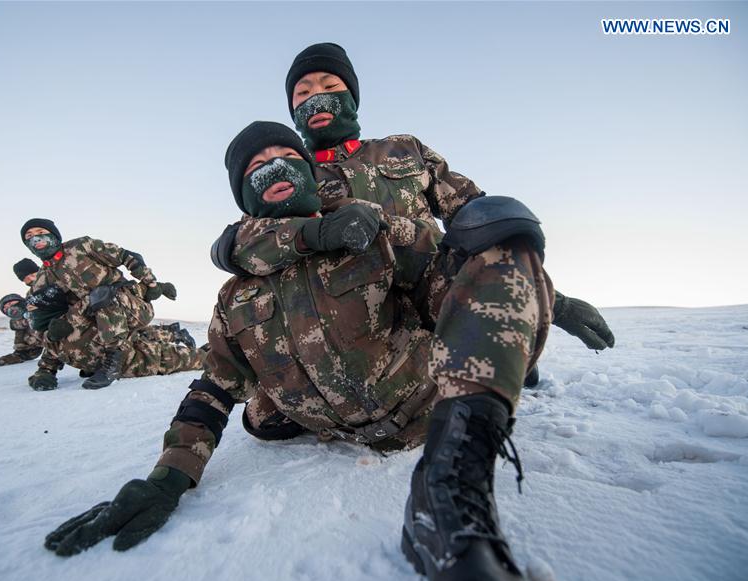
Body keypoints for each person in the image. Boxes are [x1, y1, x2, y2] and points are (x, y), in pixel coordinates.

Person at [45, 122, 552, 581]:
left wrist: (531, 298)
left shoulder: (372, 234)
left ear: (311, 174)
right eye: (256, 165)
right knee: (256, 416)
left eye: (288, 155)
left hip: (422, 408)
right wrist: (170, 476)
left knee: (498, 231)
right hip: (326, 423)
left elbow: (468, 279)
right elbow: (213, 390)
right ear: (244, 195)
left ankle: (449, 492)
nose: (274, 166)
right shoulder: (235, 296)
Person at [210, 43, 614, 376]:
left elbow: (478, 222)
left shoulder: (404, 150)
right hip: (358, 325)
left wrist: (548, 299)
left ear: (351, 96)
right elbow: (247, 238)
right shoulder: (293, 175)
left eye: (329, 84)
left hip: (435, 297)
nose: (315, 96)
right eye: (302, 93)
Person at [21, 218, 177, 389]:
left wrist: (152, 283)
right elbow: (45, 320)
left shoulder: (80, 246)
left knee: (101, 294)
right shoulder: (42, 280)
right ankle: (63, 368)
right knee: (56, 327)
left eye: (40, 233)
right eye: (29, 236)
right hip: (99, 323)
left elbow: (125, 256)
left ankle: (113, 362)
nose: (35, 239)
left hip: (131, 309)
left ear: (54, 235)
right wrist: (46, 367)